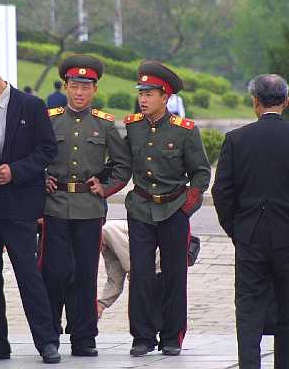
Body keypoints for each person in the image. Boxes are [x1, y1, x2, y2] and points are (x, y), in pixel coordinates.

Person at [211, 74, 289, 369]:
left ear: (255, 103)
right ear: (286, 101)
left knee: (248, 308)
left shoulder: (236, 139)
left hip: (250, 235)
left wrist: (237, 230)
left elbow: (222, 192)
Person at [0, 48, 61, 364]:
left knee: (27, 273)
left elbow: (47, 150)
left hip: (18, 203)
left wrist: (15, 171)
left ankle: (46, 342)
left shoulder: (30, 106)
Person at [42, 55, 132, 357]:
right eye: (74, 86)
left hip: (90, 209)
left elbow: (122, 165)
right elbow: (33, 156)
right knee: (53, 272)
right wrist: (41, 179)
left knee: (84, 274)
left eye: (86, 87)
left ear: (94, 90)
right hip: (54, 207)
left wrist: (104, 188)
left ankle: (83, 336)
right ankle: (49, 335)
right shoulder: (50, 118)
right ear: (66, 87)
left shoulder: (104, 124)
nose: (79, 93)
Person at [123, 61, 211, 357]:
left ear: (166, 97)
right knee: (141, 273)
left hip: (173, 208)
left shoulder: (184, 131)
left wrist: (187, 206)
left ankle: (172, 335)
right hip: (140, 209)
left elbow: (201, 173)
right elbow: (121, 166)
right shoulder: (132, 127)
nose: (143, 99)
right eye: (142, 93)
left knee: (175, 273)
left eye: (150, 94)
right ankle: (142, 336)